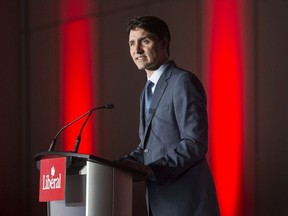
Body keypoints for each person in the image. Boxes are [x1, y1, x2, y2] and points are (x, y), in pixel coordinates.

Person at [120, 16, 220, 216]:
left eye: (144, 41)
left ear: (163, 43)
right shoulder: (146, 91)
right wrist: (114, 166)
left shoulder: (182, 81)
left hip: (185, 201)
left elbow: (194, 144)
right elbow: (147, 148)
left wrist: (153, 170)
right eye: (132, 43)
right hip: (160, 201)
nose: (136, 50)